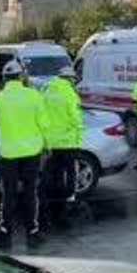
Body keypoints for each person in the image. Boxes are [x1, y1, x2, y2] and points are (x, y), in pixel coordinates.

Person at [0, 61, 50, 249]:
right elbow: (44, 124)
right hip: (32, 153)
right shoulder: (34, 96)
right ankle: (32, 234)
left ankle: (5, 236)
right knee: (30, 193)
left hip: (8, 154)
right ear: (21, 76)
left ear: (4, 78)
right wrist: (47, 145)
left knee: (8, 195)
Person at [43, 66, 83, 224]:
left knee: (55, 170)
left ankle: (53, 195)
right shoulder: (69, 93)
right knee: (71, 170)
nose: (73, 81)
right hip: (68, 140)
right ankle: (70, 197)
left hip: (52, 140)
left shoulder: (47, 90)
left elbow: (42, 113)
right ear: (69, 78)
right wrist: (80, 133)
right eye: (73, 79)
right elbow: (75, 117)